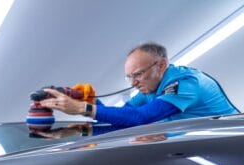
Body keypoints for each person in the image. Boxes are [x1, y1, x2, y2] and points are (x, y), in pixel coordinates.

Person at [40, 41, 239, 128]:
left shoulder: (186, 83)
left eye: (138, 75)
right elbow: (122, 119)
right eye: (129, 77)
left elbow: (142, 117)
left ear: (161, 65)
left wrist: (83, 108)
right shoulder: (150, 88)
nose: (133, 83)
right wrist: (92, 100)